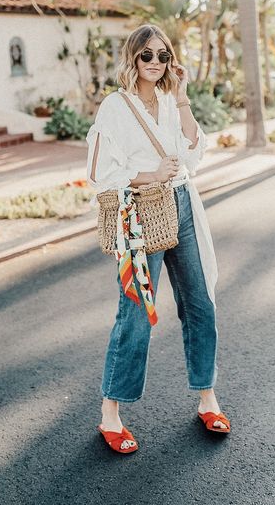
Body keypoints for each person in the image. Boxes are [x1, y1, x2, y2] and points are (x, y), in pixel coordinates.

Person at [86, 24, 231, 454]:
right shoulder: (114, 107)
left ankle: (208, 398)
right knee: (135, 310)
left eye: (163, 55)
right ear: (132, 58)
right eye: (147, 55)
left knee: (200, 302)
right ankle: (110, 414)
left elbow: (192, 152)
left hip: (183, 205)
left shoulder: (170, 100)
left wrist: (183, 95)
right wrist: (149, 174)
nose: (156, 63)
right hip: (141, 211)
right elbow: (98, 173)